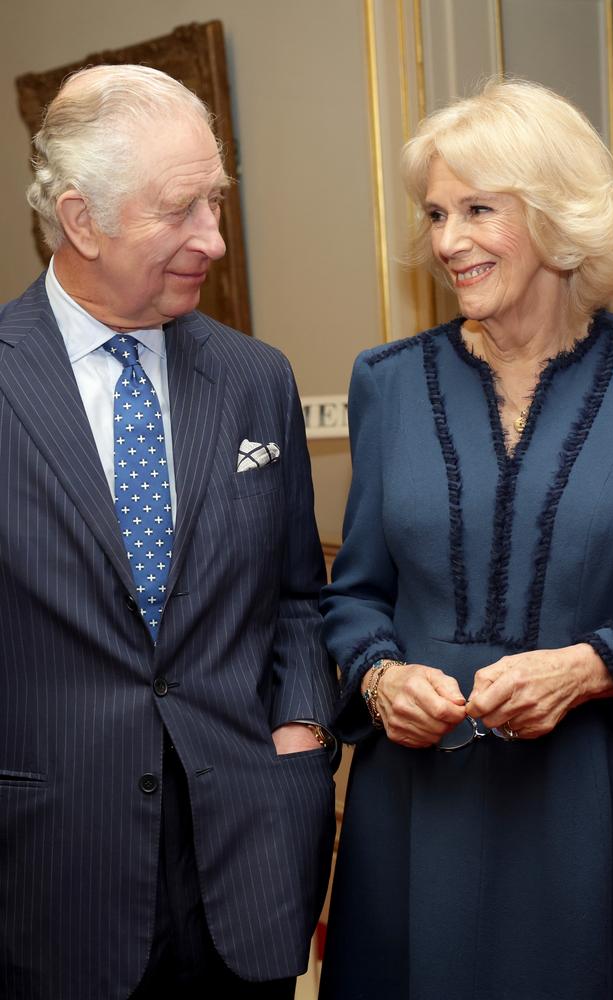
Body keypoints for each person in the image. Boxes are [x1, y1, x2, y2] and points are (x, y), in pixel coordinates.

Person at [0, 64, 337, 1000]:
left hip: (246, 870)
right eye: (181, 211)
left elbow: (298, 599)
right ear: (81, 220)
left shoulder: (254, 379)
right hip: (48, 880)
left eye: (216, 204)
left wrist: (302, 733)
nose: (215, 240)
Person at [319, 78, 613, 1000]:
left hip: (603, 803)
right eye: (436, 213)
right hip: (420, 807)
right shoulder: (386, 382)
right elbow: (353, 597)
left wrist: (595, 666)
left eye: (477, 210)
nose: (448, 241)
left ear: (556, 215)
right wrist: (382, 680)